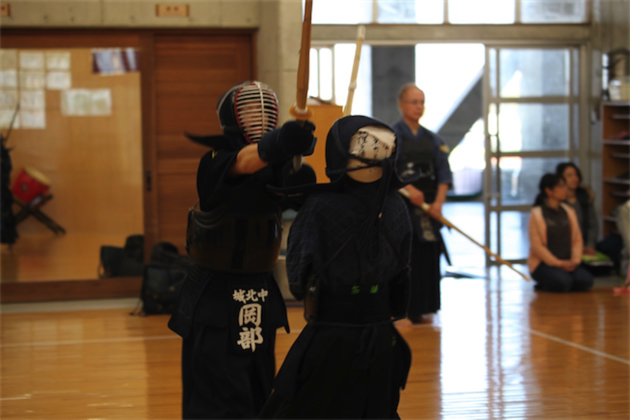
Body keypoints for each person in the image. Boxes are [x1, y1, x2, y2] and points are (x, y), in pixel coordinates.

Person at [167, 81, 317, 419]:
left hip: (259, 291)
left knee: (259, 383)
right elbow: (247, 161)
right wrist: (281, 142)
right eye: (251, 110)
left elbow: (303, 197)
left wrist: (299, 165)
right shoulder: (216, 160)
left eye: (267, 110)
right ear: (232, 118)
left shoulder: (278, 166)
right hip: (216, 294)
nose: (260, 117)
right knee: (216, 387)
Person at [259, 116, 414, 419]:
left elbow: (298, 279)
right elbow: (401, 269)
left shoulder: (320, 207)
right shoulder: (397, 206)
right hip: (383, 337)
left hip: (331, 338)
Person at [392, 83, 452, 324]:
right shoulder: (392, 136)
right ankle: (404, 307)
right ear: (402, 105)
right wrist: (408, 189)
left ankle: (427, 306)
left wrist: (438, 204)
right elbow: (388, 172)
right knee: (407, 256)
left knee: (429, 255)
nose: (419, 107)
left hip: (429, 209)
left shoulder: (433, 140)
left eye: (422, 102)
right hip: (403, 207)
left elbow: (444, 175)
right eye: (414, 102)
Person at [527, 173, 594, 293]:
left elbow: (577, 240)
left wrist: (575, 260)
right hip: (545, 264)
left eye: (565, 186)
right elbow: (537, 246)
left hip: (569, 262)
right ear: (549, 190)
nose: (565, 189)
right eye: (561, 186)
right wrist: (558, 263)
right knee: (562, 283)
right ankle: (544, 283)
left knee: (585, 280)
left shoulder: (569, 211)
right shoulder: (537, 214)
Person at [555, 162, 598, 256]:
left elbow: (593, 225)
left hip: (585, 247)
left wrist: (590, 245)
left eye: (576, 175)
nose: (574, 178)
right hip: (564, 250)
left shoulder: (585, 198)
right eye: (569, 175)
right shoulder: (557, 201)